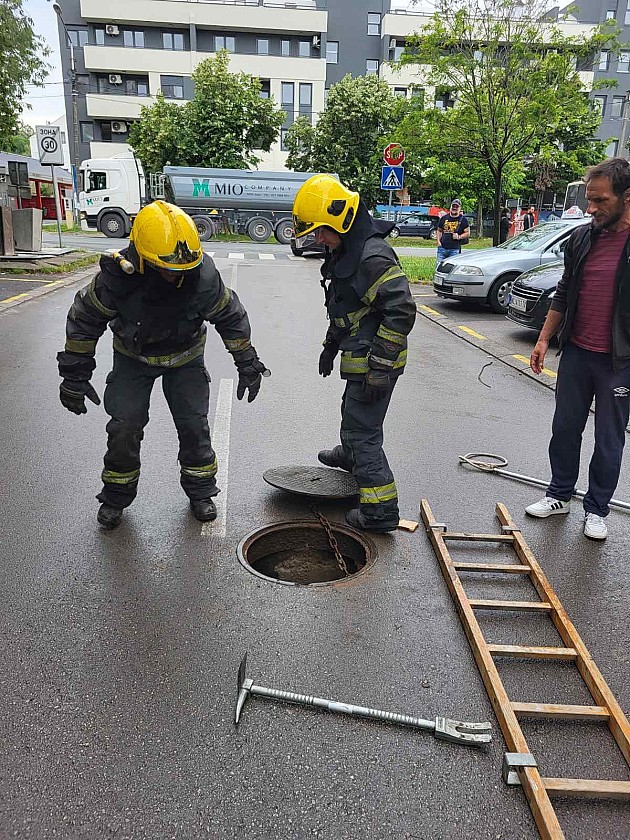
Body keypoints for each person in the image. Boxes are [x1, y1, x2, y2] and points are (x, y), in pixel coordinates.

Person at [57, 201, 268, 529]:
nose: (176, 276)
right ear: (142, 257)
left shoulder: (202, 277)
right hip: (133, 358)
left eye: (183, 270)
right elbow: (84, 320)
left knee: (193, 425)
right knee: (125, 426)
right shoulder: (116, 279)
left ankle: (201, 491)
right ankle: (116, 496)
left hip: (186, 358)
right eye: (167, 268)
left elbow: (230, 317)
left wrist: (248, 363)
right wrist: (74, 375)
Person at [292, 175, 416, 533]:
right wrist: (330, 347)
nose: (318, 239)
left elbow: (402, 310)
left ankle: (380, 512)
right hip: (361, 357)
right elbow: (347, 307)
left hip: (377, 361)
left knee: (364, 433)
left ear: (343, 221)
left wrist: (380, 365)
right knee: (353, 413)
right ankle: (349, 457)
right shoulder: (349, 249)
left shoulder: (372, 257)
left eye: (321, 231)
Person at [526, 157, 630, 541]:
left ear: (627, 197)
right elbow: (564, 292)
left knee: (608, 438)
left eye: (601, 200)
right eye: (590, 199)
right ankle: (559, 494)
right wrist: (542, 339)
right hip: (577, 353)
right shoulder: (581, 238)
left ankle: (597, 509)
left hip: (619, 362)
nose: (592, 209)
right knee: (565, 427)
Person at [436, 199, 471, 264]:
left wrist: (459, 237)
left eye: (456, 207)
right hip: (442, 248)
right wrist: (438, 242)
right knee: (439, 267)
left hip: (454, 249)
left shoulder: (463, 220)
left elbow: (468, 233)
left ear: (460, 208)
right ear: (450, 207)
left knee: (452, 268)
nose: (454, 208)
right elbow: (439, 230)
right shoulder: (444, 218)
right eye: (453, 206)